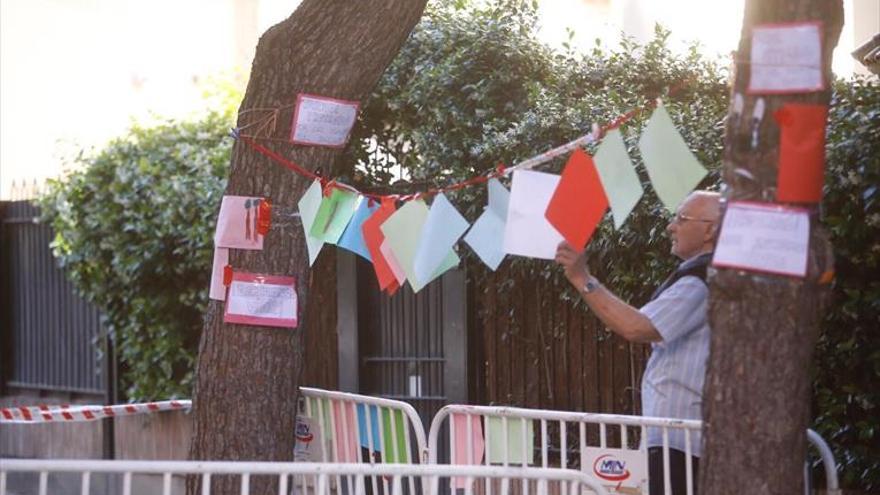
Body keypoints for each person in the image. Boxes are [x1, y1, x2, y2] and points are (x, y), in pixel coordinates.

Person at [555, 191, 721, 495]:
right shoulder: (705, 275)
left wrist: (583, 279)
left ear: (710, 229)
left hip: (683, 442)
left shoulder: (701, 281)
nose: (671, 226)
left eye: (681, 219)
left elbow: (636, 327)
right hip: (677, 438)